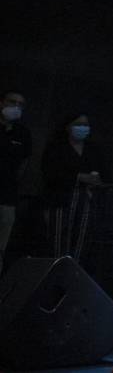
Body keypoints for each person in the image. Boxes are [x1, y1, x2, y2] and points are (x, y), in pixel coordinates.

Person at [41, 112, 110, 257]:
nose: (82, 128)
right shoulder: (57, 148)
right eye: (78, 124)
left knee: (81, 242)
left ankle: (73, 269)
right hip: (61, 201)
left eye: (85, 125)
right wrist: (79, 177)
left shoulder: (92, 150)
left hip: (86, 202)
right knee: (58, 242)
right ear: (68, 127)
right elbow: (50, 173)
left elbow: (105, 175)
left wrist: (96, 180)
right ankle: (57, 268)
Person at [1, 90, 32, 276]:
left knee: (1, 245)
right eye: (12, 102)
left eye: (20, 104)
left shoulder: (22, 133)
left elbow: (24, 164)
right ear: (2, 102)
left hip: (7, 195)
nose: (16, 107)